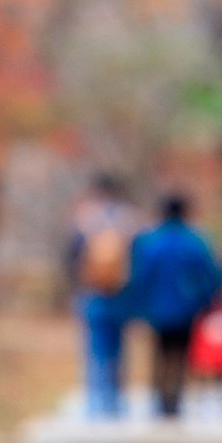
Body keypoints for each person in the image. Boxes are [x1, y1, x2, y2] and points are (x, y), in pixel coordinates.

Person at [128, 193, 222, 418]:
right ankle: (175, 398)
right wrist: (207, 301)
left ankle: (160, 397)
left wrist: (137, 305)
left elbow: (138, 276)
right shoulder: (195, 240)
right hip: (187, 308)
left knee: (159, 351)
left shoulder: (148, 240)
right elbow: (211, 274)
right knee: (181, 353)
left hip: (155, 309)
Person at [63, 174, 138, 418]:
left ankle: (95, 401)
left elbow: (70, 255)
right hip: (121, 295)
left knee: (94, 348)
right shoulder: (130, 219)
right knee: (119, 348)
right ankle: (116, 401)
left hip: (91, 294)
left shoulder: (84, 218)